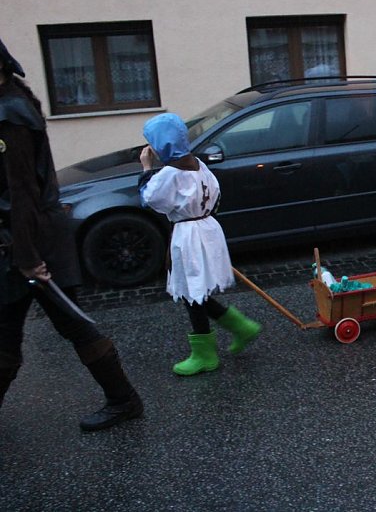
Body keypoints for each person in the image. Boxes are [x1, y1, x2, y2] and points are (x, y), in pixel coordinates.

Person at [0, 37, 143, 430]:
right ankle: (125, 400)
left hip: (31, 244)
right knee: (10, 331)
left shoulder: (9, 115)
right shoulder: (9, 106)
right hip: (21, 242)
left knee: (73, 325)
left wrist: (28, 258)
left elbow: (21, 193)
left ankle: (125, 400)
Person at [138, 113, 261, 376]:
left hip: (189, 234)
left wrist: (146, 169)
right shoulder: (198, 164)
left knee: (192, 293)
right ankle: (240, 327)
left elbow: (149, 198)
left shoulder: (170, 173)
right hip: (207, 228)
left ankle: (206, 354)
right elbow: (215, 195)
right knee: (196, 290)